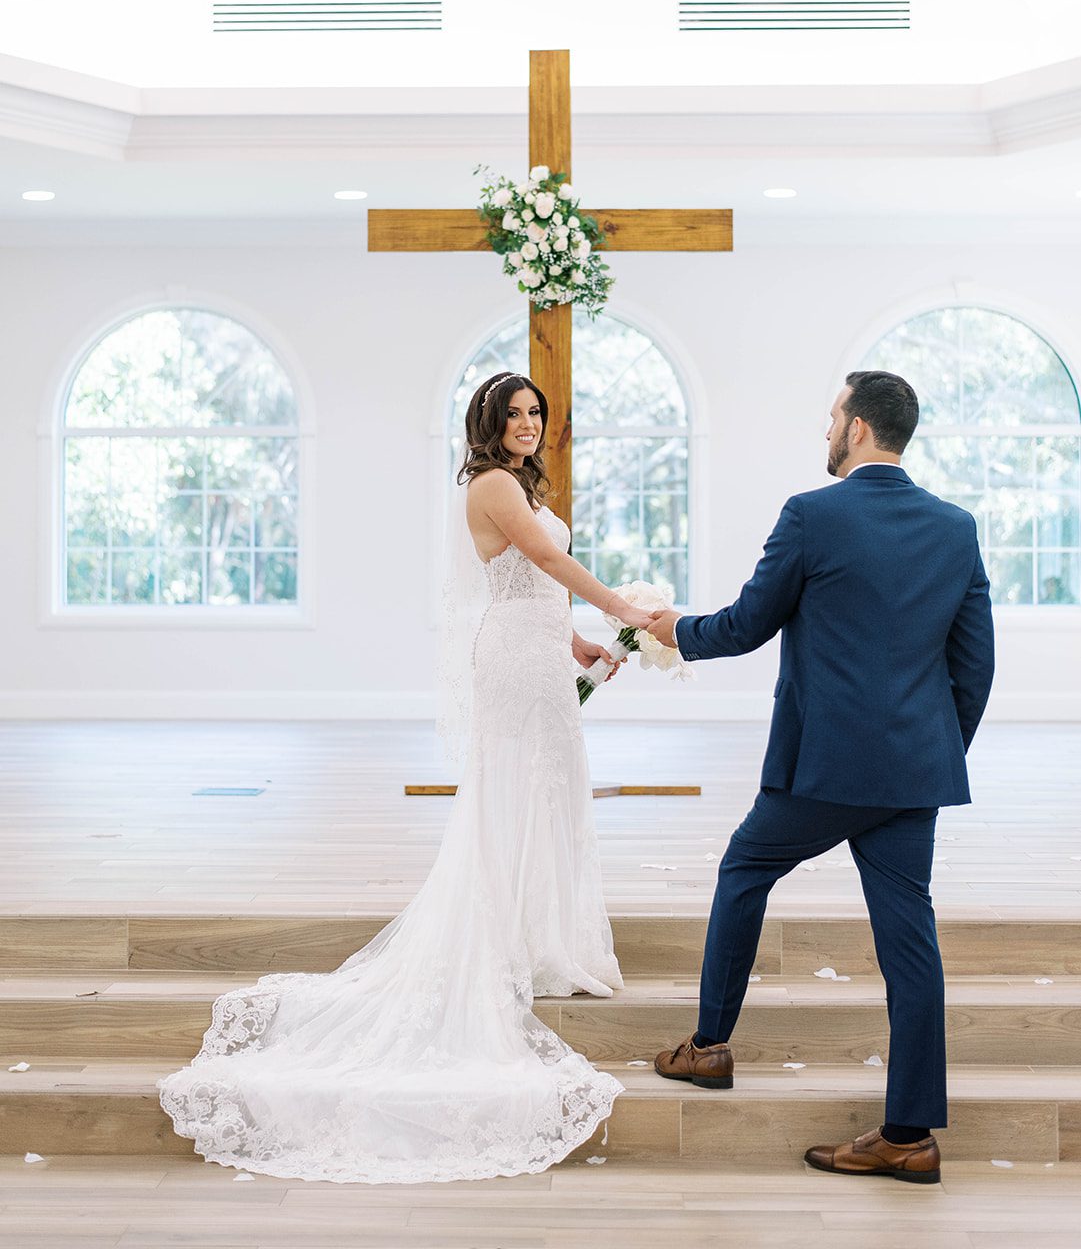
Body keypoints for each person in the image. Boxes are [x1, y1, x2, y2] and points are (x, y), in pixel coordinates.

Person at [157, 369, 653, 1185]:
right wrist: (624, 614)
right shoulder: (492, 486)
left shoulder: (520, 485)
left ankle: (543, 940)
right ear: (484, 425)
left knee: (549, 795)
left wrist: (580, 647)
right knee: (510, 797)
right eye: (513, 414)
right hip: (507, 665)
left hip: (539, 656)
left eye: (535, 413)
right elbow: (540, 561)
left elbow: (534, 587)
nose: (527, 424)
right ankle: (499, 942)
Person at [647, 370, 994, 1186]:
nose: (825, 428)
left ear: (860, 428)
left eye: (832, 416)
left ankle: (706, 1047)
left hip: (824, 766)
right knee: (909, 943)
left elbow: (743, 625)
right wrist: (927, 751)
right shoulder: (955, 527)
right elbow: (973, 666)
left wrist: (672, 631)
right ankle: (906, 1134)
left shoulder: (812, 513)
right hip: (912, 771)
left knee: (744, 868)